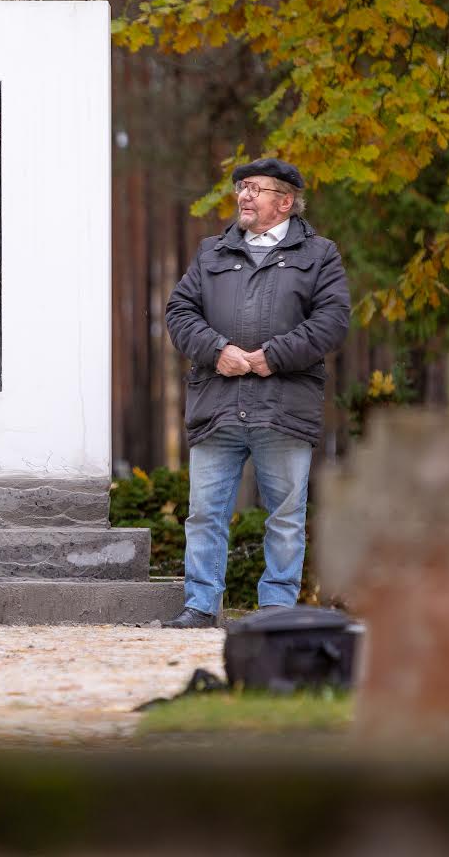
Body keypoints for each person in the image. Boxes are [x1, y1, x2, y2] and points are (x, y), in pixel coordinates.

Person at [161, 157, 350, 628]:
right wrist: (216, 349)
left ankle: (276, 611)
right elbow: (179, 311)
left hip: (283, 408)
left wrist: (274, 356)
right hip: (217, 404)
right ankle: (201, 606)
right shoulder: (212, 252)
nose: (243, 196)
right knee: (204, 514)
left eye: (255, 189)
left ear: (284, 202)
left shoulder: (320, 254)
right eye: (241, 188)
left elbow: (331, 322)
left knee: (285, 517)